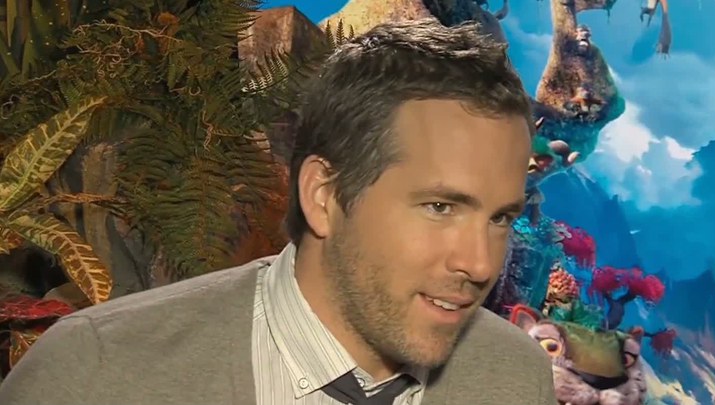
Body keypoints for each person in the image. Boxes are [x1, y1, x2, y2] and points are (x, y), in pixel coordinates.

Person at [0, 18, 556, 405]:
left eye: (500, 219)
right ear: (323, 195)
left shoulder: (515, 377)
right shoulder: (96, 374)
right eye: (440, 206)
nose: (480, 264)